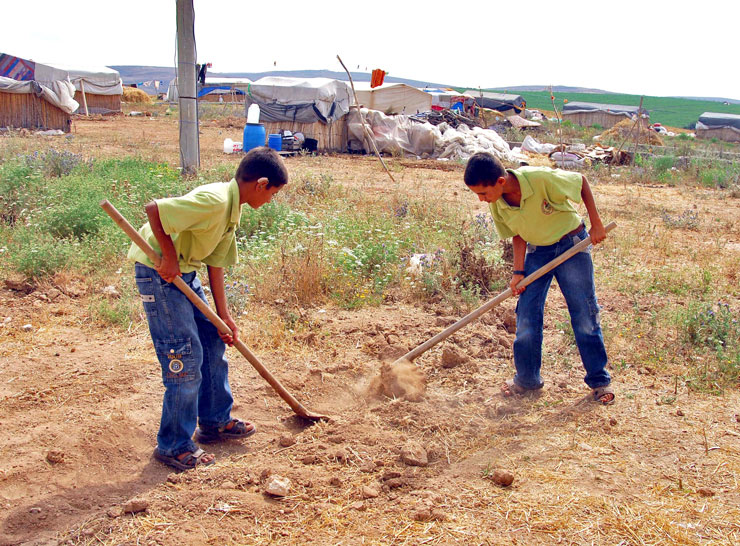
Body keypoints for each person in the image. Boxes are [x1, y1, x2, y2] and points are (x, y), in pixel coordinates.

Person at [129, 147, 289, 470]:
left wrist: (223, 317)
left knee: (214, 339)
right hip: (158, 272)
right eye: (272, 193)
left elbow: (216, 263)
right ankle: (174, 444)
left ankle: (215, 421)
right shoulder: (215, 201)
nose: (270, 200)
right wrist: (169, 257)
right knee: (185, 356)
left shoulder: (233, 210)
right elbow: (154, 210)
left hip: (184, 272)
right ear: (260, 184)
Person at [463, 152, 614, 405]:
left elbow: (582, 182)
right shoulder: (497, 203)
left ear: (500, 181)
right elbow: (518, 235)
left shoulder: (540, 178)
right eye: (477, 194)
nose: (481, 200)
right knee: (527, 315)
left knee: (584, 314)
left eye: (483, 193)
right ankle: (527, 380)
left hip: (571, 244)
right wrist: (518, 272)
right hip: (537, 252)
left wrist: (596, 225)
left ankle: (599, 381)